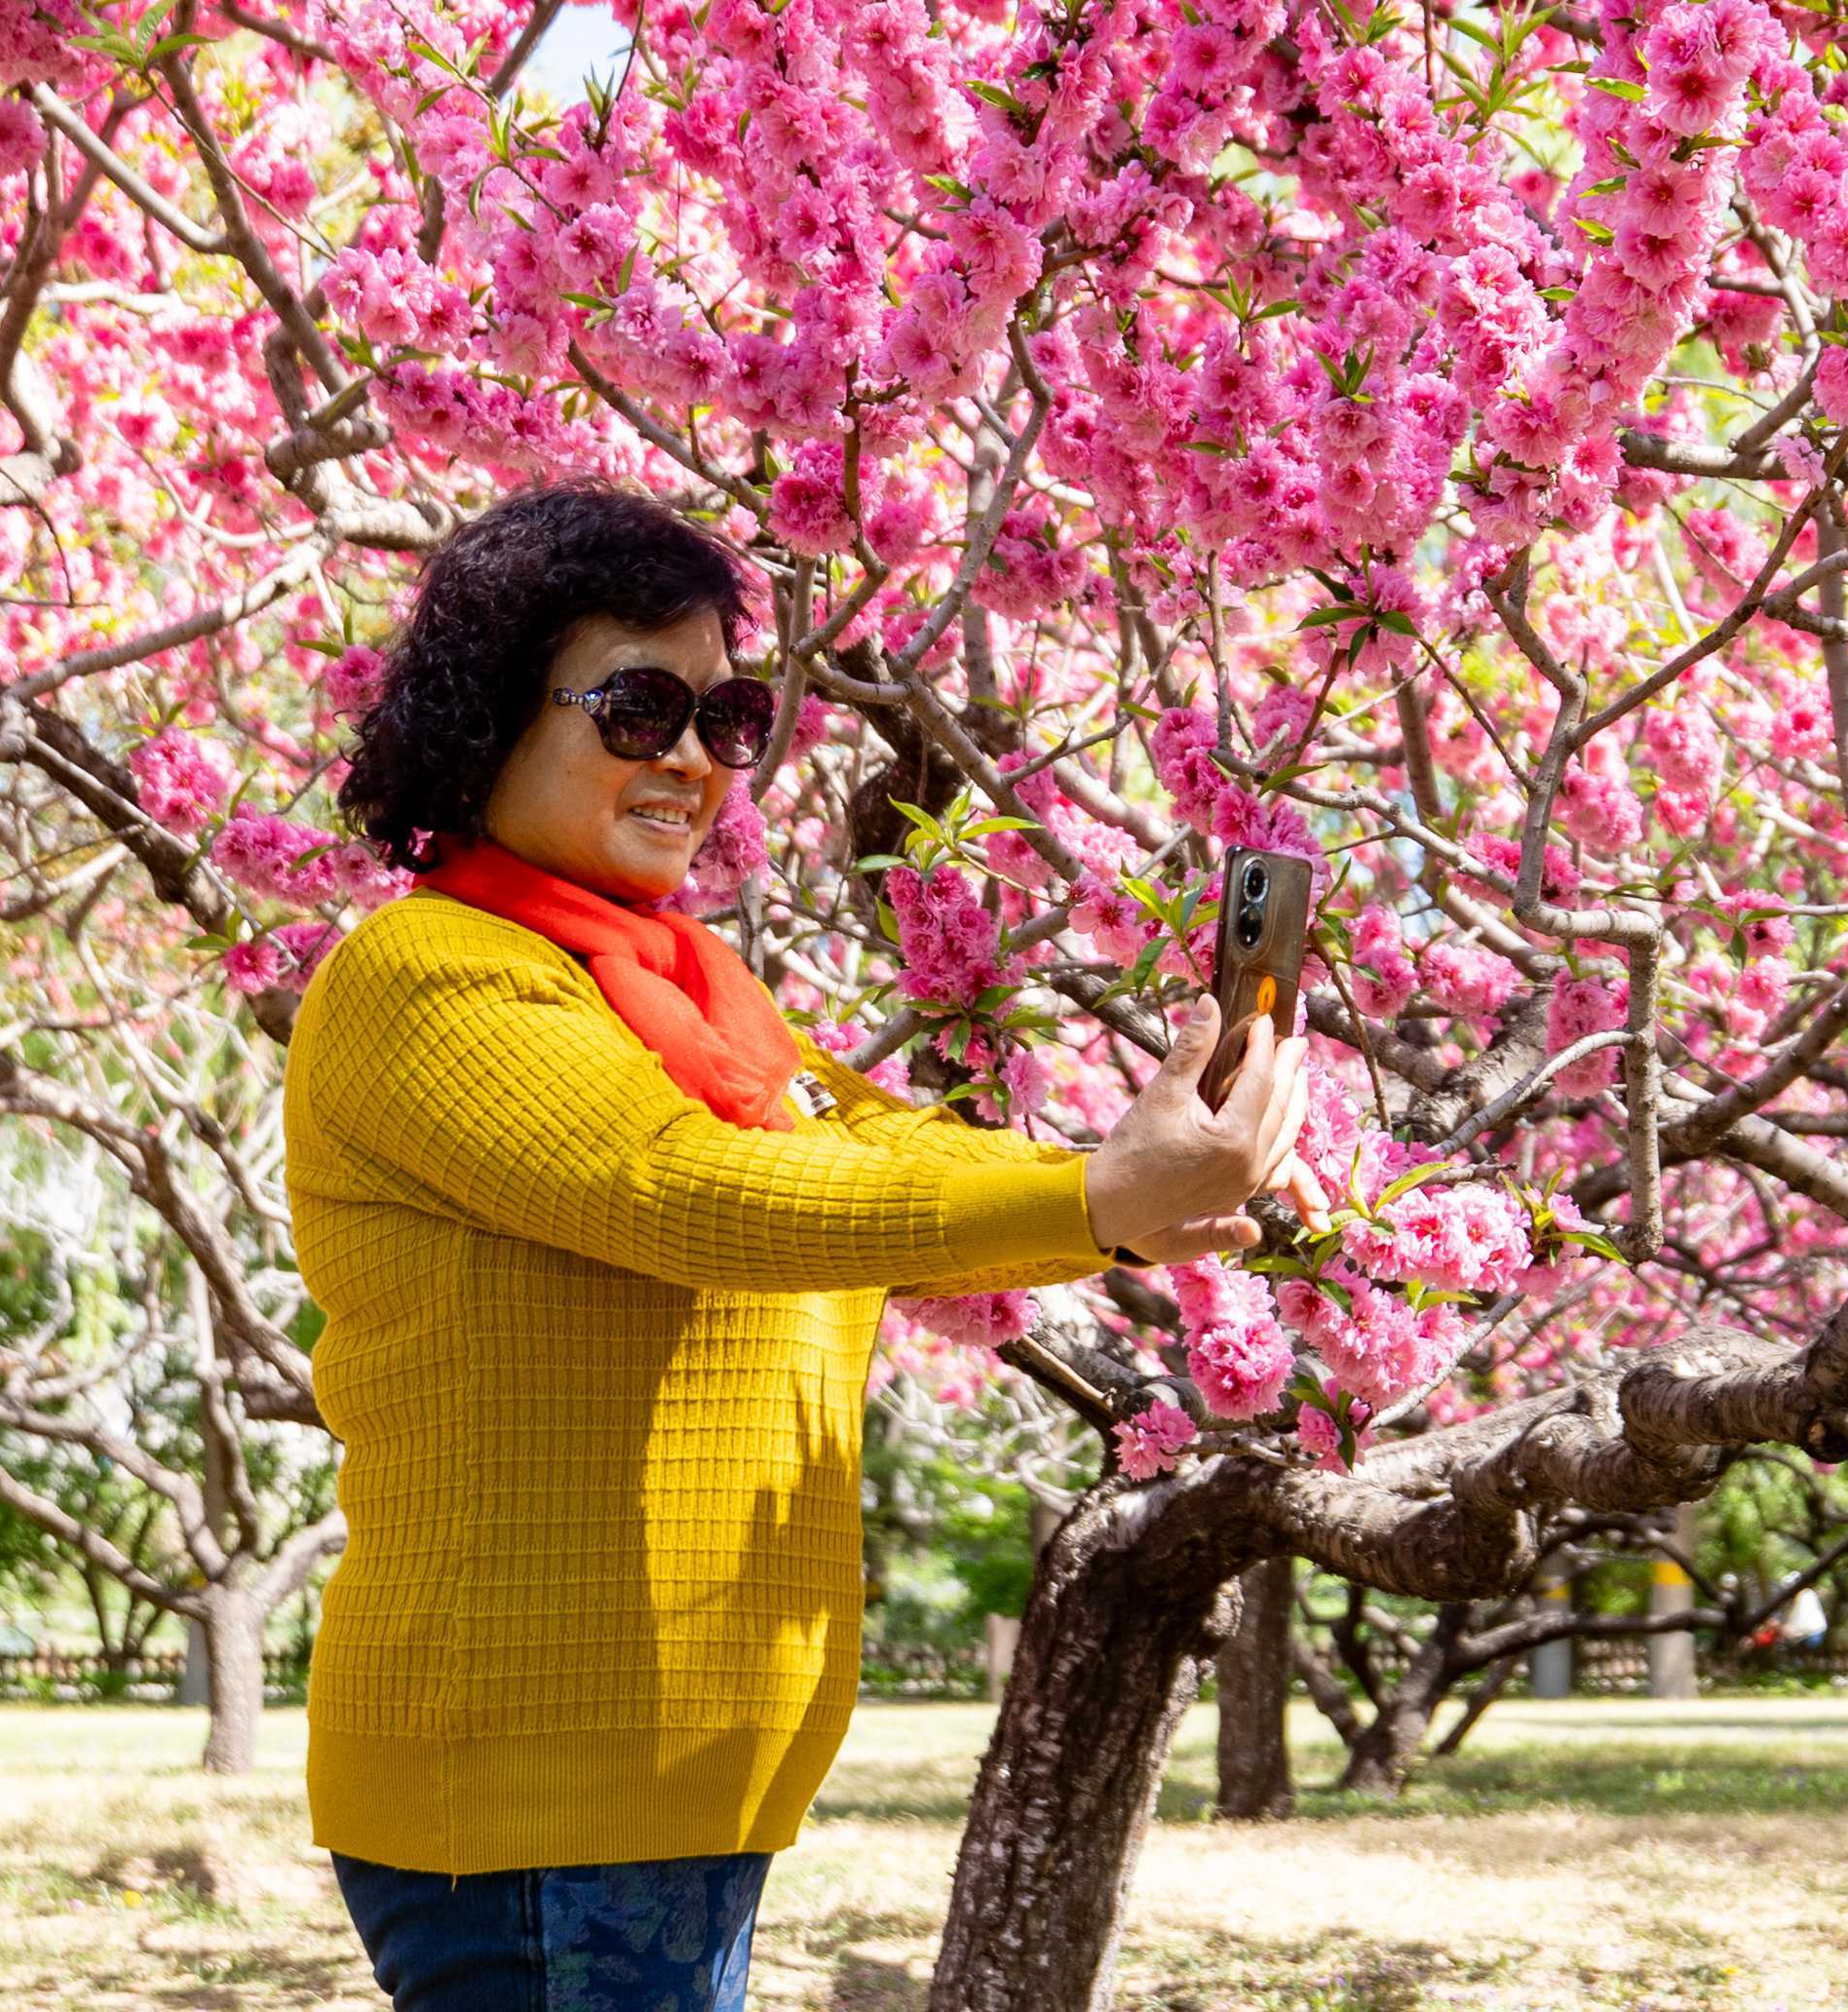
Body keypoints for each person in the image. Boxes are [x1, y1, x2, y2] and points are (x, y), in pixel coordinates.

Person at [284, 482, 1328, 2011]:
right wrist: (1096, 1202)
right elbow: (688, 1192)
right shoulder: (426, 975)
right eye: (640, 709)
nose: (694, 761)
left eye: (727, 718)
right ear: (492, 707)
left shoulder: (682, 985)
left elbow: (870, 1152)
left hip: (659, 1789)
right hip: (533, 1793)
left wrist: (1111, 1188)